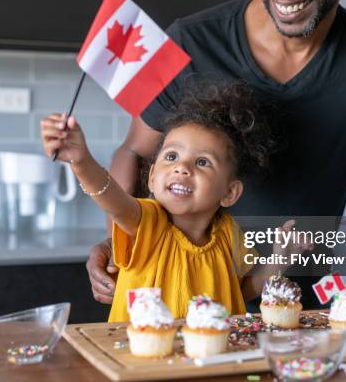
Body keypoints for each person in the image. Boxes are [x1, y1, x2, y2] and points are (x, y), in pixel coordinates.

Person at [87, 0, 346, 313]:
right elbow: (136, 153)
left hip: (301, 307)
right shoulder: (190, 42)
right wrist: (121, 241)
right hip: (175, 302)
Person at [41, 83, 309, 320]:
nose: (182, 168)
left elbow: (240, 289)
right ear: (153, 176)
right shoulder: (146, 221)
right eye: (171, 156)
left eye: (202, 162)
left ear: (230, 192)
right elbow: (112, 198)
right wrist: (81, 160)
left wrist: (278, 262)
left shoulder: (229, 234)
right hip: (143, 363)